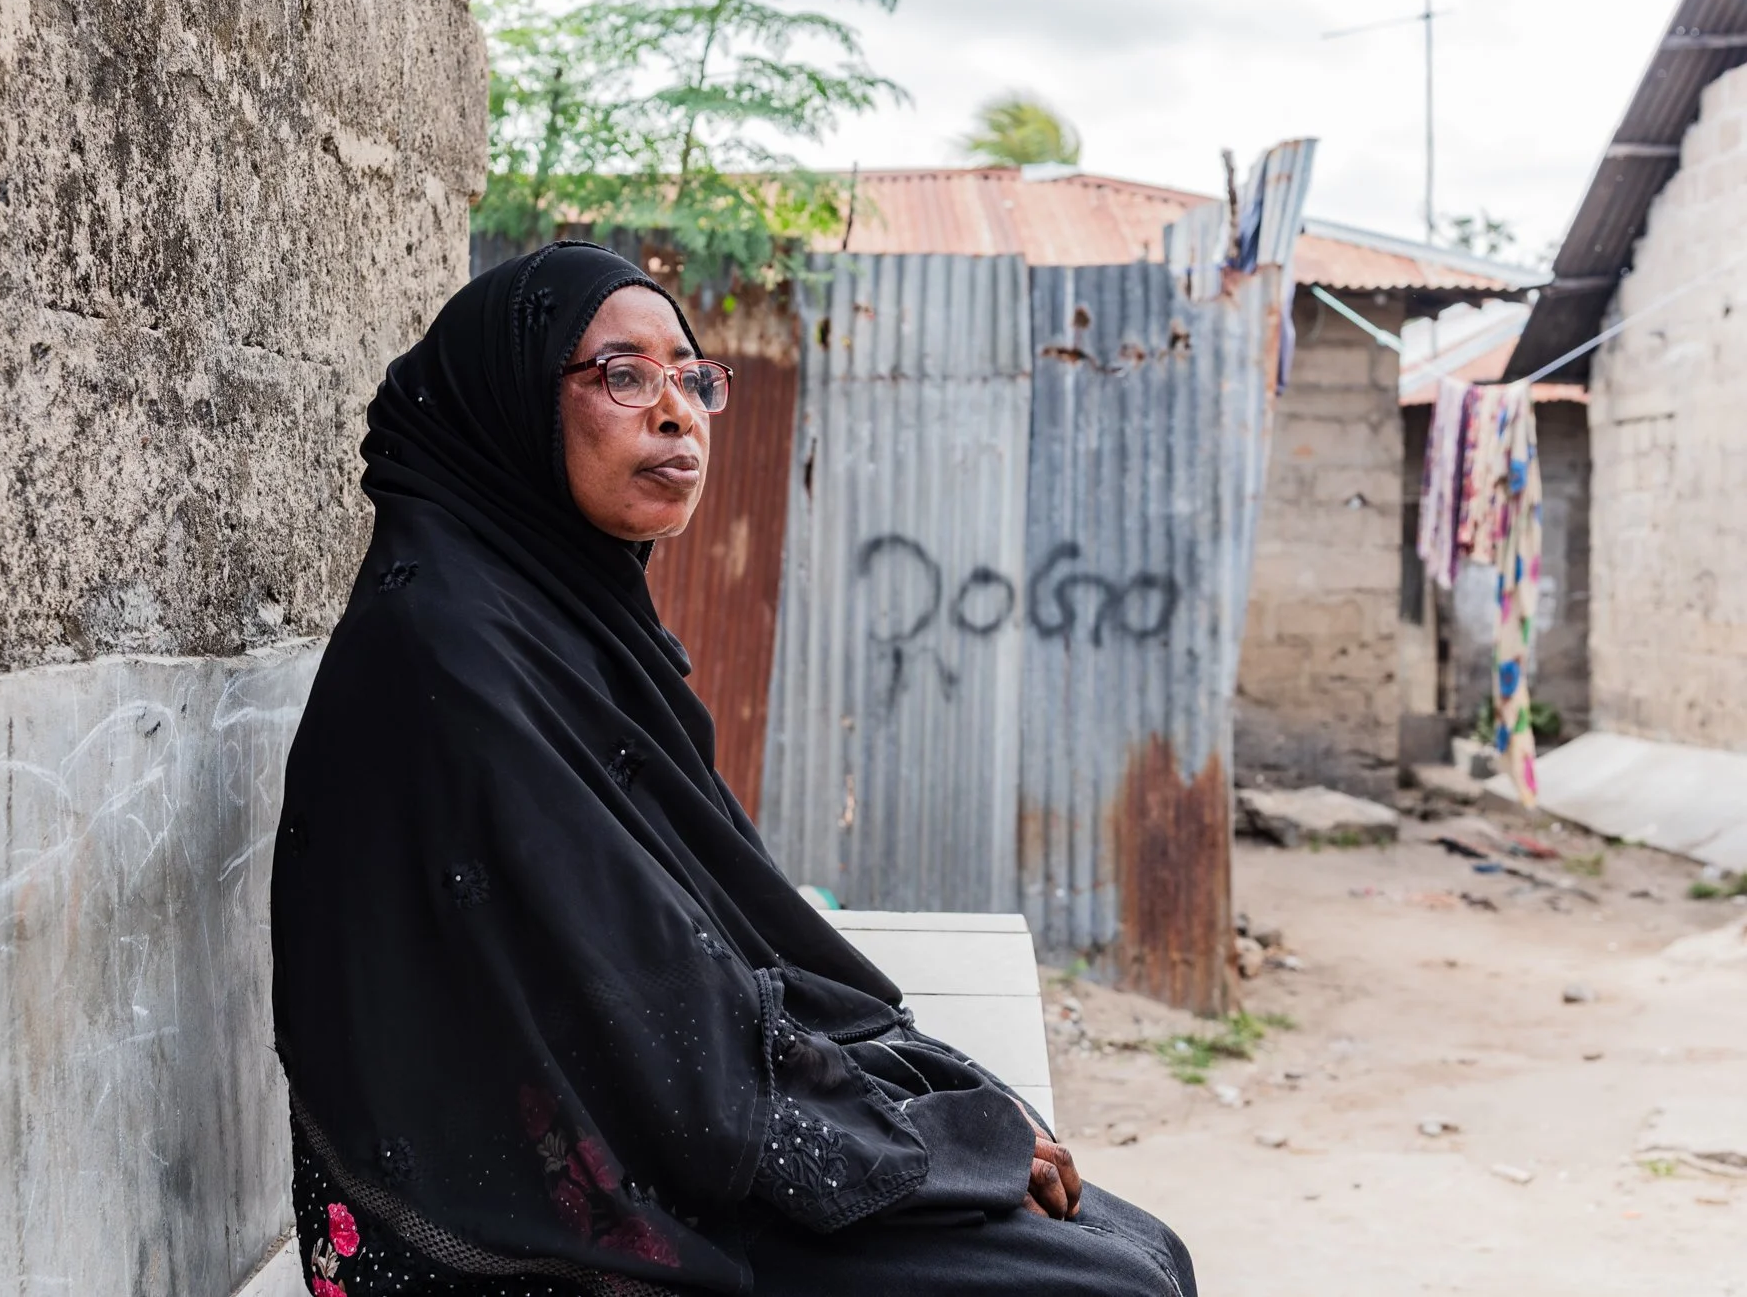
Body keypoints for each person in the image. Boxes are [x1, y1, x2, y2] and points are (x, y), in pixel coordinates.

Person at [270, 242, 1197, 1297]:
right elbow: (627, 984)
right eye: (622, 375)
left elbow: (704, 935)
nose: (677, 412)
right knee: (1105, 1285)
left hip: (646, 1117)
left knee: (1137, 1248)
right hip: (526, 1201)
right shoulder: (448, 646)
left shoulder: (562, 616)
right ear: (511, 404)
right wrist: (919, 1149)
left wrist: (912, 1104)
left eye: (690, 375)